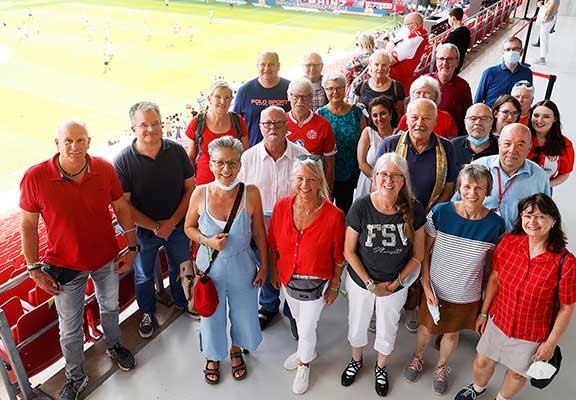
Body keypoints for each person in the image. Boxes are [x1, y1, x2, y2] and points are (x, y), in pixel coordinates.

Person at [20, 120, 137, 400]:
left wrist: (131, 247)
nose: (74, 147)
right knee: (69, 327)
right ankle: (76, 377)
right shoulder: (35, 177)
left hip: (106, 257)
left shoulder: (104, 168)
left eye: (80, 140)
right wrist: (34, 268)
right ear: (57, 143)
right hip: (64, 266)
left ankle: (115, 345)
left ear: (89, 141)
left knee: (109, 307)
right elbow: (27, 224)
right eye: (68, 141)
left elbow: (120, 206)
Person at [455, 194, 576, 400]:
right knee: (482, 360)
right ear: (521, 217)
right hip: (499, 319)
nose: (533, 222)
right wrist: (483, 314)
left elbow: (566, 307)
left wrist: (551, 342)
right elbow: (494, 279)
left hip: (532, 332)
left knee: (517, 374)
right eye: (528, 215)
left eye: (540, 216)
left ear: (553, 220)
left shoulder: (566, 262)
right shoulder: (509, 243)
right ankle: (477, 388)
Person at [403, 165, 505, 395]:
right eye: (467, 186)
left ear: (487, 191)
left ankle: (441, 366)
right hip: (435, 288)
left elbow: (490, 266)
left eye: (479, 188)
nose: (472, 192)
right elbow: (424, 254)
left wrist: (484, 304)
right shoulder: (441, 212)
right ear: (459, 187)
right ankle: (417, 357)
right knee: (427, 329)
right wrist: (426, 286)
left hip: (466, 294)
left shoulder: (495, 225)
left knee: (451, 333)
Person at [184, 136, 267, 384]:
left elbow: (260, 233)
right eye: (220, 163)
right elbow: (188, 227)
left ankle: (235, 349)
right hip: (211, 269)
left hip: (243, 265)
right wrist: (208, 241)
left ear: (241, 165)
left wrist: (264, 266)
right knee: (211, 315)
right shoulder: (200, 194)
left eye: (232, 163)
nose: (226, 169)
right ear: (210, 164)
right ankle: (213, 354)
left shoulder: (250, 193)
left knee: (244, 312)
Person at [341, 153, 425, 397]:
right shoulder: (361, 206)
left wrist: (396, 283)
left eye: (396, 175)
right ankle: (356, 360)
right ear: (375, 177)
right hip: (361, 281)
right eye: (383, 174)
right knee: (357, 322)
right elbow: (349, 251)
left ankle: (381, 367)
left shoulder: (414, 208)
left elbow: (418, 254)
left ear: (403, 179)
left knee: (388, 327)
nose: (389, 180)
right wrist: (369, 284)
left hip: (395, 284)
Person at [114, 102, 195, 338]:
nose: (151, 129)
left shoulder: (176, 151)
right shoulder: (123, 161)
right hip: (143, 233)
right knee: (143, 275)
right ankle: (147, 312)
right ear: (133, 129)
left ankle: (183, 301)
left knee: (180, 267)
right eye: (144, 125)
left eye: (155, 123)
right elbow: (124, 206)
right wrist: (157, 226)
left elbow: (191, 188)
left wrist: (171, 222)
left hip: (177, 226)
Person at [268, 155, 345, 394]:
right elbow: (273, 244)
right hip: (287, 279)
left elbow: (339, 257)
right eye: (300, 178)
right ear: (293, 180)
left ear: (320, 181)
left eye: (311, 179)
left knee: (308, 326)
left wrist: (334, 286)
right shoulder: (281, 207)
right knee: (300, 321)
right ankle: (306, 350)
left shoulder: (334, 215)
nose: (305, 185)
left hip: (317, 284)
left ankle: (304, 363)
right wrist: (273, 271)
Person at [238, 106, 309, 337]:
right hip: (260, 225)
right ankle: (268, 306)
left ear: (287, 126)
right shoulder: (248, 158)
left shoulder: (302, 156)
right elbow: (240, 196)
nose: (273, 128)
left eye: (278, 123)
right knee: (266, 267)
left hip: (294, 223)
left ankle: (292, 311)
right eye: (267, 124)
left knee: (292, 269)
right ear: (260, 127)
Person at [455, 123, 551, 232]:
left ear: (529, 147)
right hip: (477, 239)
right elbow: (456, 205)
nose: (512, 150)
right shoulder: (478, 167)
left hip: (516, 243)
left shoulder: (539, 177)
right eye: (507, 143)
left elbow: (545, 216)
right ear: (499, 143)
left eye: (520, 144)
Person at [379, 98, 457, 212]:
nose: (420, 123)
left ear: (435, 121)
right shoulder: (390, 145)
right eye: (414, 118)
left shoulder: (446, 147)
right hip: (393, 213)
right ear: (406, 120)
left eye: (426, 118)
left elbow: (448, 188)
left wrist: (428, 217)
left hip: (431, 216)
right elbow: (377, 184)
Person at [318, 73, 367, 214]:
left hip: (351, 171)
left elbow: (365, 140)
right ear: (325, 91)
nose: (335, 92)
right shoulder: (320, 114)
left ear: (345, 89)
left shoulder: (357, 112)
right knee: (325, 210)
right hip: (328, 171)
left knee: (345, 210)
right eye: (330, 89)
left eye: (339, 88)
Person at [185, 80, 249, 185]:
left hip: (232, 182)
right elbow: (190, 157)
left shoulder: (238, 121)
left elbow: (246, 154)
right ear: (209, 99)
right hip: (204, 183)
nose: (223, 102)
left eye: (227, 97)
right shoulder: (197, 123)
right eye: (218, 97)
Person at [286, 77, 336, 193]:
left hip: (310, 187)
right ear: (288, 96)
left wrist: (327, 191)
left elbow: (329, 163)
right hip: (286, 184)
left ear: (312, 98)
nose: (300, 101)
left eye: (305, 97)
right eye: (296, 96)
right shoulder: (279, 122)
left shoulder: (323, 125)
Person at [232, 51, 291, 146]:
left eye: (271, 64)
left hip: (285, 152)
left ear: (278, 66)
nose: (267, 68)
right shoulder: (245, 91)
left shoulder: (290, 89)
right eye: (263, 65)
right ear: (257, 66)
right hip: (253, 152)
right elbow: (235, 124)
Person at [355, 96, 396, 200]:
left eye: (383, 113)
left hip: (391, 185)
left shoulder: (399, 135)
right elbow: (362, 163)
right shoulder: (368, 132)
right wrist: (378, 180)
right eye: (375, 115)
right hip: (368, 182)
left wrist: (385, 182)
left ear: (390, 114)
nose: (379, 118)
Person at [474, 36, 533, 107]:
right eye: (508, 49)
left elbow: (528, 96)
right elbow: (478, 100)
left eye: (515, 49)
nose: (511, 52)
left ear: (521, 52)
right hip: (492, 115)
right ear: (503, 53)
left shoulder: (527, 73)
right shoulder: (490, 73)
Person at [528, 99, 574, 187]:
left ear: (555, 119)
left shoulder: (565, 144)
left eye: (546, 116)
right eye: (536, 115)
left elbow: (564, 174)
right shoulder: (521, 137)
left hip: (544, 190)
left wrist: (545, 186)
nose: (539, 120)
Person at [431, 43, 473, 135]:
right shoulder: (425, 82)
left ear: (457, 62)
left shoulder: (463, 87)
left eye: (449, 59)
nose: (445, 63)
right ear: (436, 61)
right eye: (441, 59)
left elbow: (468, 117)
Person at [353, 49, 405, 119]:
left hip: (390, 128)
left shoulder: (397, 87)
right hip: (367, 128)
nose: (380, 68)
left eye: (384, 65)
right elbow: (355, 108)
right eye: (376, 65)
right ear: (371, 66)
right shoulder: (361, 86)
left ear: (388, 67)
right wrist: (359, 107)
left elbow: (400, 113)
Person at [388, 12, 429, 94]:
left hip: (397, 83)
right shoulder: (423, 35)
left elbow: (389, 61)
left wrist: (389, 47)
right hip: (405, 80)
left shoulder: (412, 41)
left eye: (406, 25)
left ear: (414, 26)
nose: (404, 27)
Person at [452, 103, 499, 173]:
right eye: (473, 118)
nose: (478, 122)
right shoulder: (453, 146)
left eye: (484, 118)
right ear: (465, 122)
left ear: (491, 122)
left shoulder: (500, 146)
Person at [442, 7, 471, 73]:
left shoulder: (454, 34)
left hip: (452, 65)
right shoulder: (466, 30)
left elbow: (439, 48)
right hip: (460, 61)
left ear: (453, 18)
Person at [534, 0, 559, 65]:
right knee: (543, 38)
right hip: (547, 20)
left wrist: (541, 6)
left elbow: (548, 12)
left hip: (548, 21)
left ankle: (542, 58)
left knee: (543, 39)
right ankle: (543, 56)